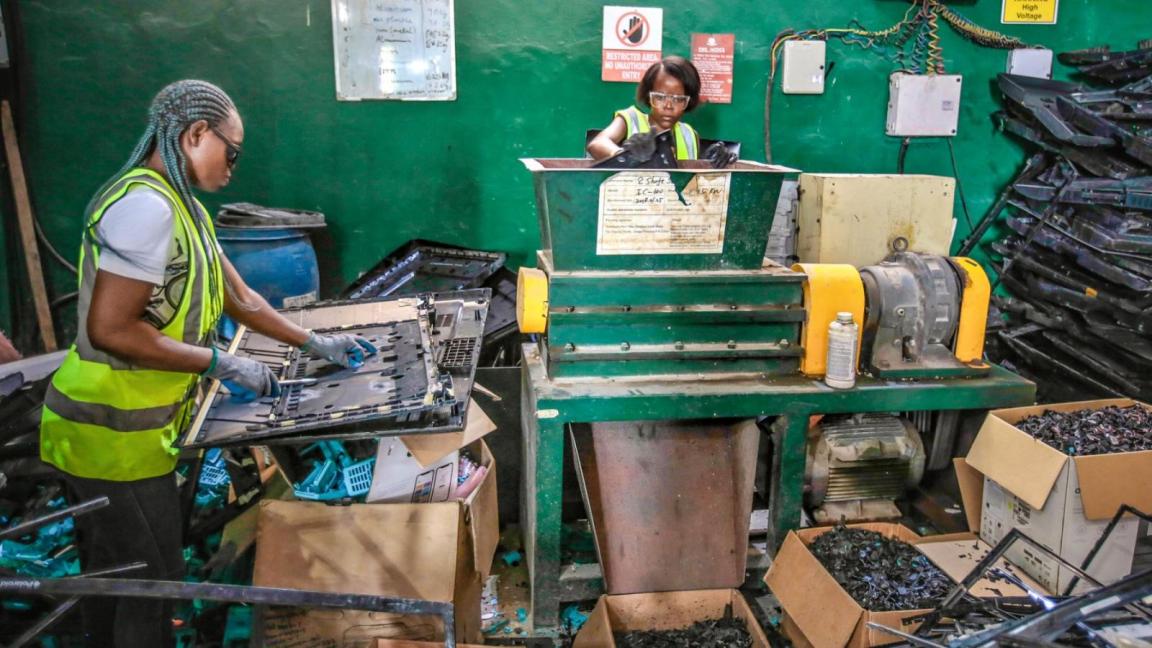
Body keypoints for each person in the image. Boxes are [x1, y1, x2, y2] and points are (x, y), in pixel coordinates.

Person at [39, 79, 376, 647]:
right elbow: (112, 330)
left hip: (137, 432)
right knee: (149, 587)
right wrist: (220, 363)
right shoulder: (144, 207)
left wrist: (312, 344)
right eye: (232, 150)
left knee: (115, 579)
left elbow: (240, 299)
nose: (234, 166)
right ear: (196, 134)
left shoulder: (184, 207)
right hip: (108, 434)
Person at [587, 55, 703, 161]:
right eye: (660, 97)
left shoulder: (690, 135)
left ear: (688, 101)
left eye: (678, 99)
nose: (668, 106)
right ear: (648, 95)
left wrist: (711, 165)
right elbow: (597, 144)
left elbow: (694, 179)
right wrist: (625, 156)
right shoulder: (630, 120)